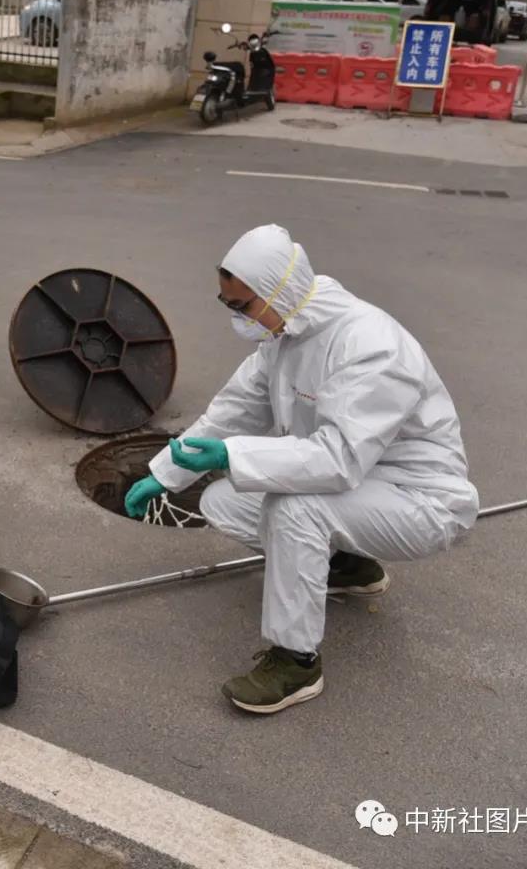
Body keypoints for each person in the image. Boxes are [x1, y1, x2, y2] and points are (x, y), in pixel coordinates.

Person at [124, 225, 478, 715]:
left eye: (242, 305)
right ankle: (348, 566)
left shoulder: (371, 345)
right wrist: (165, 473)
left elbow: (337, 459)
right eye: (228, 303)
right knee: (222, 501)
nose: (236, 316)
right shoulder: (285, 336)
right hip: (361, 486)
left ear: (278, 292)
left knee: (296, 509)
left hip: (419, 499)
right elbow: (233, 410)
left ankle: (296, 663)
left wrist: (231, 456)